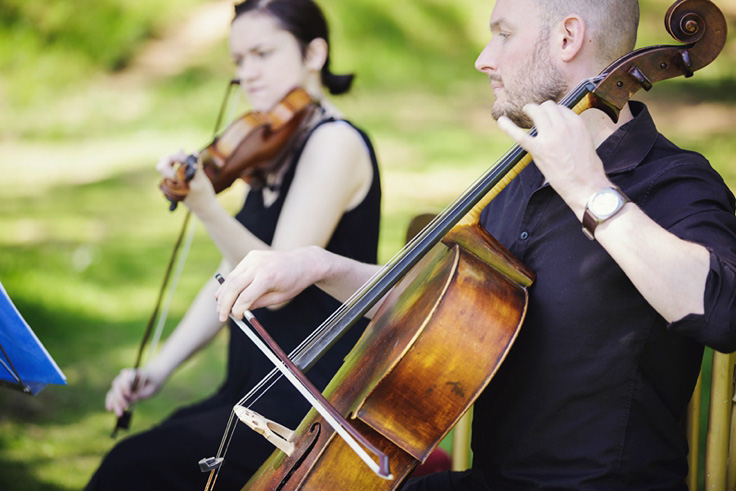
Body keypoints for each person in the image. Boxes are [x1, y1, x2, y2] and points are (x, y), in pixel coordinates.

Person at [215, 0, 736, 489]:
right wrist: (315, 265)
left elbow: (722, 312)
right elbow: (433, 309)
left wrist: (588, 190)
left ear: (568, 37)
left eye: (503, 34)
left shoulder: (672, 182)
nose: (483, 60)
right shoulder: (519, 184)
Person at [86, 0, 381, 489]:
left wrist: (207, 206)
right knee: (142, 456)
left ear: (315, 53)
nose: (248, 74)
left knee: (133, 467)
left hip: (306, 398)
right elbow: (231, 270)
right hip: (249, 389)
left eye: (263, 54)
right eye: (239, 61)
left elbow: (276, 281)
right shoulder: (273, 147)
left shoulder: (335, 143)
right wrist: (159, 369)